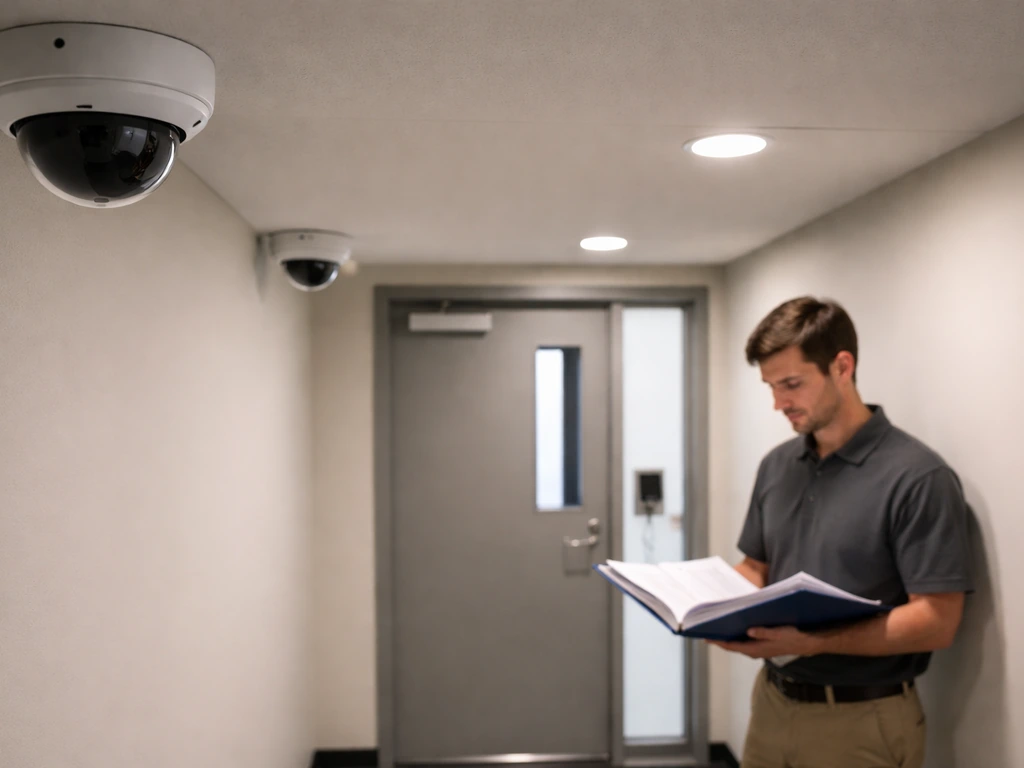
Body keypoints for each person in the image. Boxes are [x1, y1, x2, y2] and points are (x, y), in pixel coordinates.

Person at [712, 296, 973, 768]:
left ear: (842, 367)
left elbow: (937, 620)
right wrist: (706, 605)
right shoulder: (777, 465)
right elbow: (756, 567)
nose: (778, 404)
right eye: (771, 387)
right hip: (771, 704)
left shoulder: (917, 477)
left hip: (862, 718)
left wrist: (814, 643)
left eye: (792, 384)